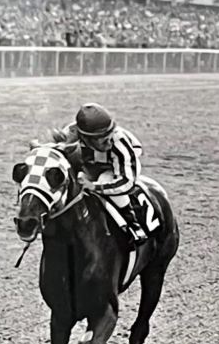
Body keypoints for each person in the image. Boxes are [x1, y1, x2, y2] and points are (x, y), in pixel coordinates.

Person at [48, 103, 151, 243]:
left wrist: (95, 187)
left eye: (109, 134)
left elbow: (126, 182)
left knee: (103, 179)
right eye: (102, 138)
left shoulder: (119, 142)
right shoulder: (70, 135)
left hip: (118, 165)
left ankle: (132, 224)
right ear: (85, 138)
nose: (109, 141)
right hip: (89, 161)